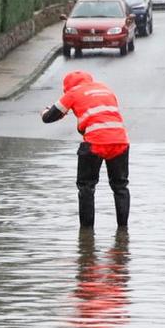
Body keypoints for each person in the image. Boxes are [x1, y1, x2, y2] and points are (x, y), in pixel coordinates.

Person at [41, 69, 130, 229]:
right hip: (120, 140)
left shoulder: (73, 93)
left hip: (95, 143)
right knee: (120, 186)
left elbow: (49, 118)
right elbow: (101, 117)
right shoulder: (105, 89)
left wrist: (45, 112)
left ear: (66, 87)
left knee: (86, 188)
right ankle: (123, 231)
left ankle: (86, 235)